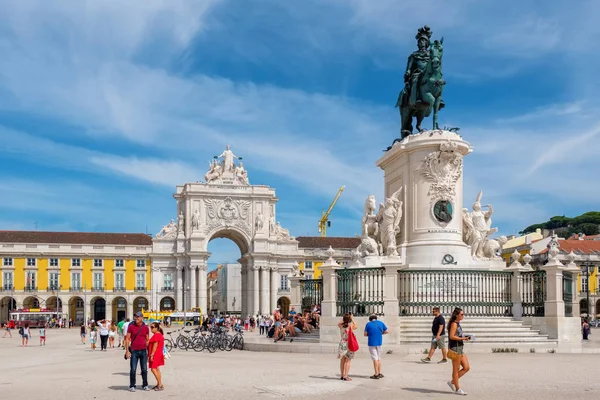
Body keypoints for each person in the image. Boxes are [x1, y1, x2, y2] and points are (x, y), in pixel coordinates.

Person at [447, 307, 470, 396]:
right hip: (455, 348)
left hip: (460, 347)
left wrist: (465, 336)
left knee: (466, 367)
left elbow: (457, 334)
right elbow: (452, 336)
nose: (463, 315)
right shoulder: (454, 324)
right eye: (461, 314)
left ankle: (452, 382)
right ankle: (457, 389)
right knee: (455, 370)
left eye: (463, 314)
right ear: (456, 315)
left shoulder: (458, 323)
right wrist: (463, 338)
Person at [125, 311, 150, 392]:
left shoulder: (146, 327)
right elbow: (127, 339)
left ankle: (145, 385)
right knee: (133, 369)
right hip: (134, 351)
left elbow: (147, 339)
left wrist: (148, 351)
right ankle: (132, 385)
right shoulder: (131, 327)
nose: (136, 318)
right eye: (135, 316)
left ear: (142, 318)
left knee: (144, 369)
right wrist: (127, 351)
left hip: (143, 351)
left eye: (138, 317)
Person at [364, 314, 389, 379]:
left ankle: (376, 374)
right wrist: (380, 333)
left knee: (375, 358)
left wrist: (371, 334)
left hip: (372, 343)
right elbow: (386, 331)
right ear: (376, 318)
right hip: (379, 342)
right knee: (378, 358)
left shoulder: (368, 324)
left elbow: (365, 334)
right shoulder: (381, 323)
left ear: (370, 319)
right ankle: (379, 372)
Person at [337, 313, 357, 381]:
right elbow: (356, 326)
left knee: (342, 360)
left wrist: (345, 319)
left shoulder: (340, 325)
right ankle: (346, 376)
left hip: (342, 343)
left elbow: (339, 322)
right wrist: (352, 319)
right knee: (348, 360)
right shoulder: (350, 326)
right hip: (349, 343)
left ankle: (342, 375)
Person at [148, 322, 165, 391]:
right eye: (150, 327)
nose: (151, 329)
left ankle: (160, 384)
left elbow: (155, 346)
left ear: (157, 328)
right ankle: (159, 383)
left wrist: (152, 355)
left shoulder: (157, 335)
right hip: (158, 353)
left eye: (152, 327)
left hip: (156, 354)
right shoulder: (158, 334)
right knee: (157, 368)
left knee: (153, 369)